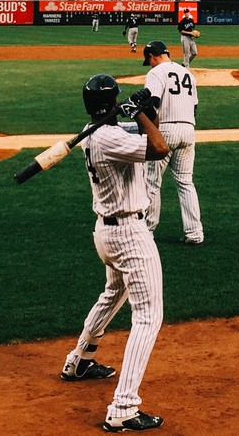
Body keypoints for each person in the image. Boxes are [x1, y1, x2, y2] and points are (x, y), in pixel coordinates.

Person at [61, 74, 170, 433]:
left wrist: (145, 110)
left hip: (106, 233)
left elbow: (141, 129)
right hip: (129, 235)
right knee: (148, 317)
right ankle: (123, 407)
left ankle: (80, 359)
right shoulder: (108, 138)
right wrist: (141, 114)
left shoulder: (94, 131)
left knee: (113, 294)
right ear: (110, 104)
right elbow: (159, 147)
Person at [141, 40, 203, 245]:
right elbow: (195, 107)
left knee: (151, 182)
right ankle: (195, 233)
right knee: (186, 183)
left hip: (166, 130)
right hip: (189, 130)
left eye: (148, 60)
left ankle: (147, 232)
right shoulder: (187, 73)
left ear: (152, 56)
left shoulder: (156, 73)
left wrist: (148, 131)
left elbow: (153, 105)